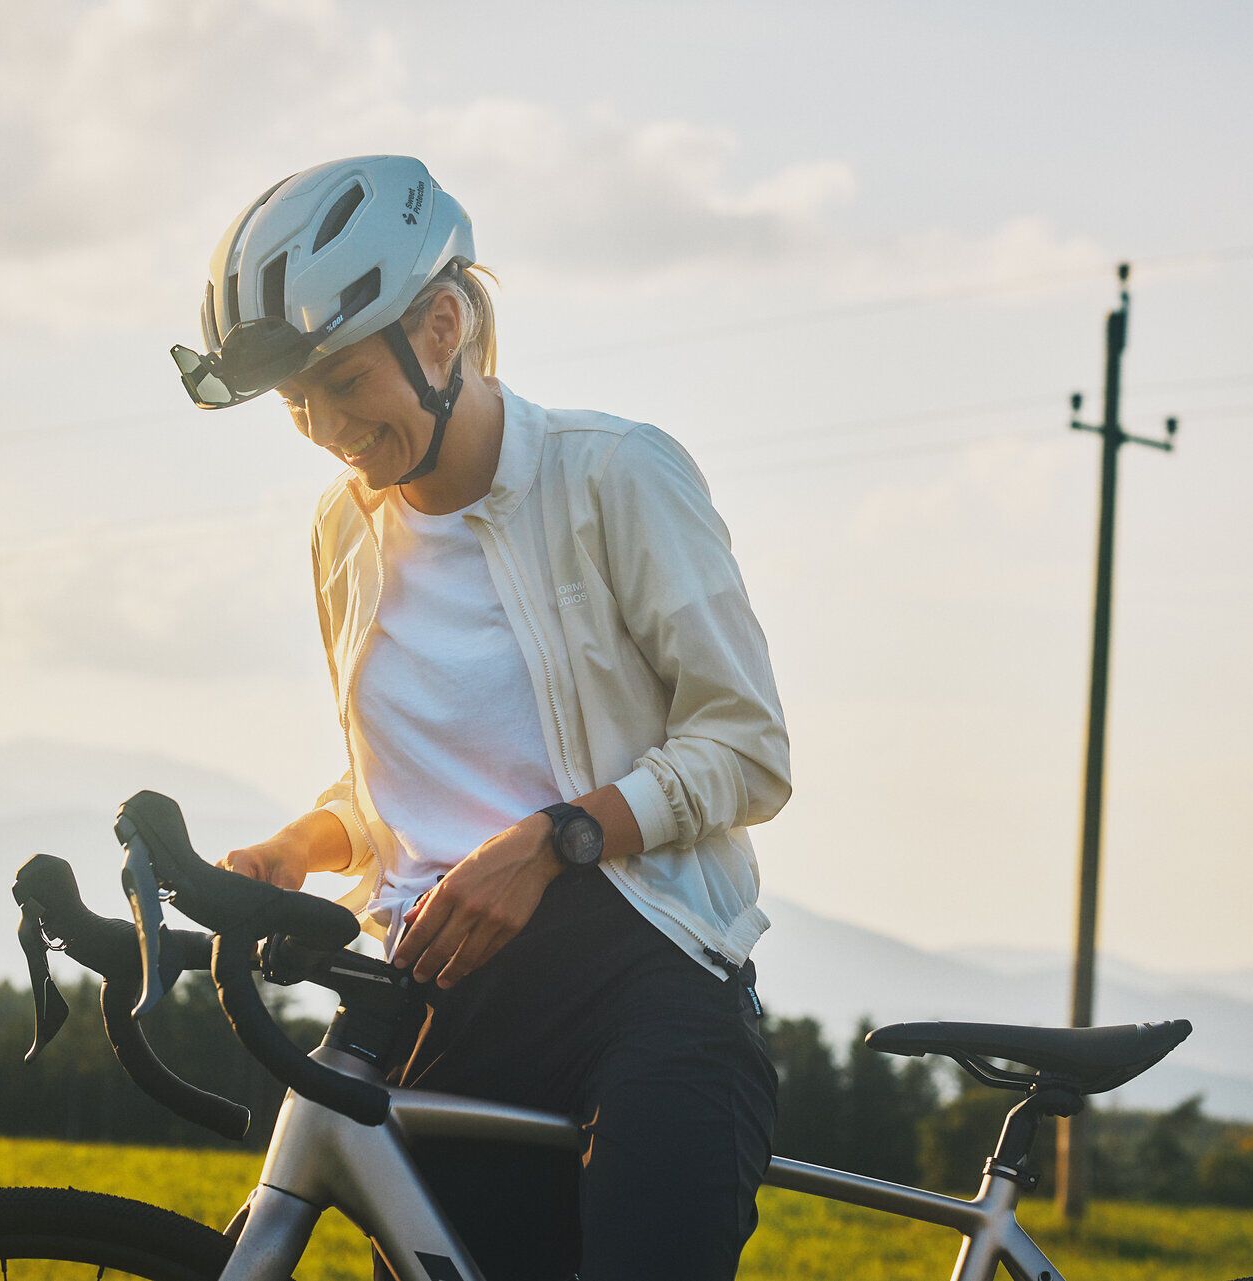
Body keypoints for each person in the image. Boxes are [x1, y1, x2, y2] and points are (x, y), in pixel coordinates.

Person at [170, 155, 791, 1281]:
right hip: (434, 995)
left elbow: (747, 751)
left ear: (444, 326)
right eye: (296, 402)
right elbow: (401, 789)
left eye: (345, 384)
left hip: (643, 988)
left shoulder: (616, 477)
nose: (324, 428)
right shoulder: (341, 532)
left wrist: (554, 841)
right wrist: (298, 849)